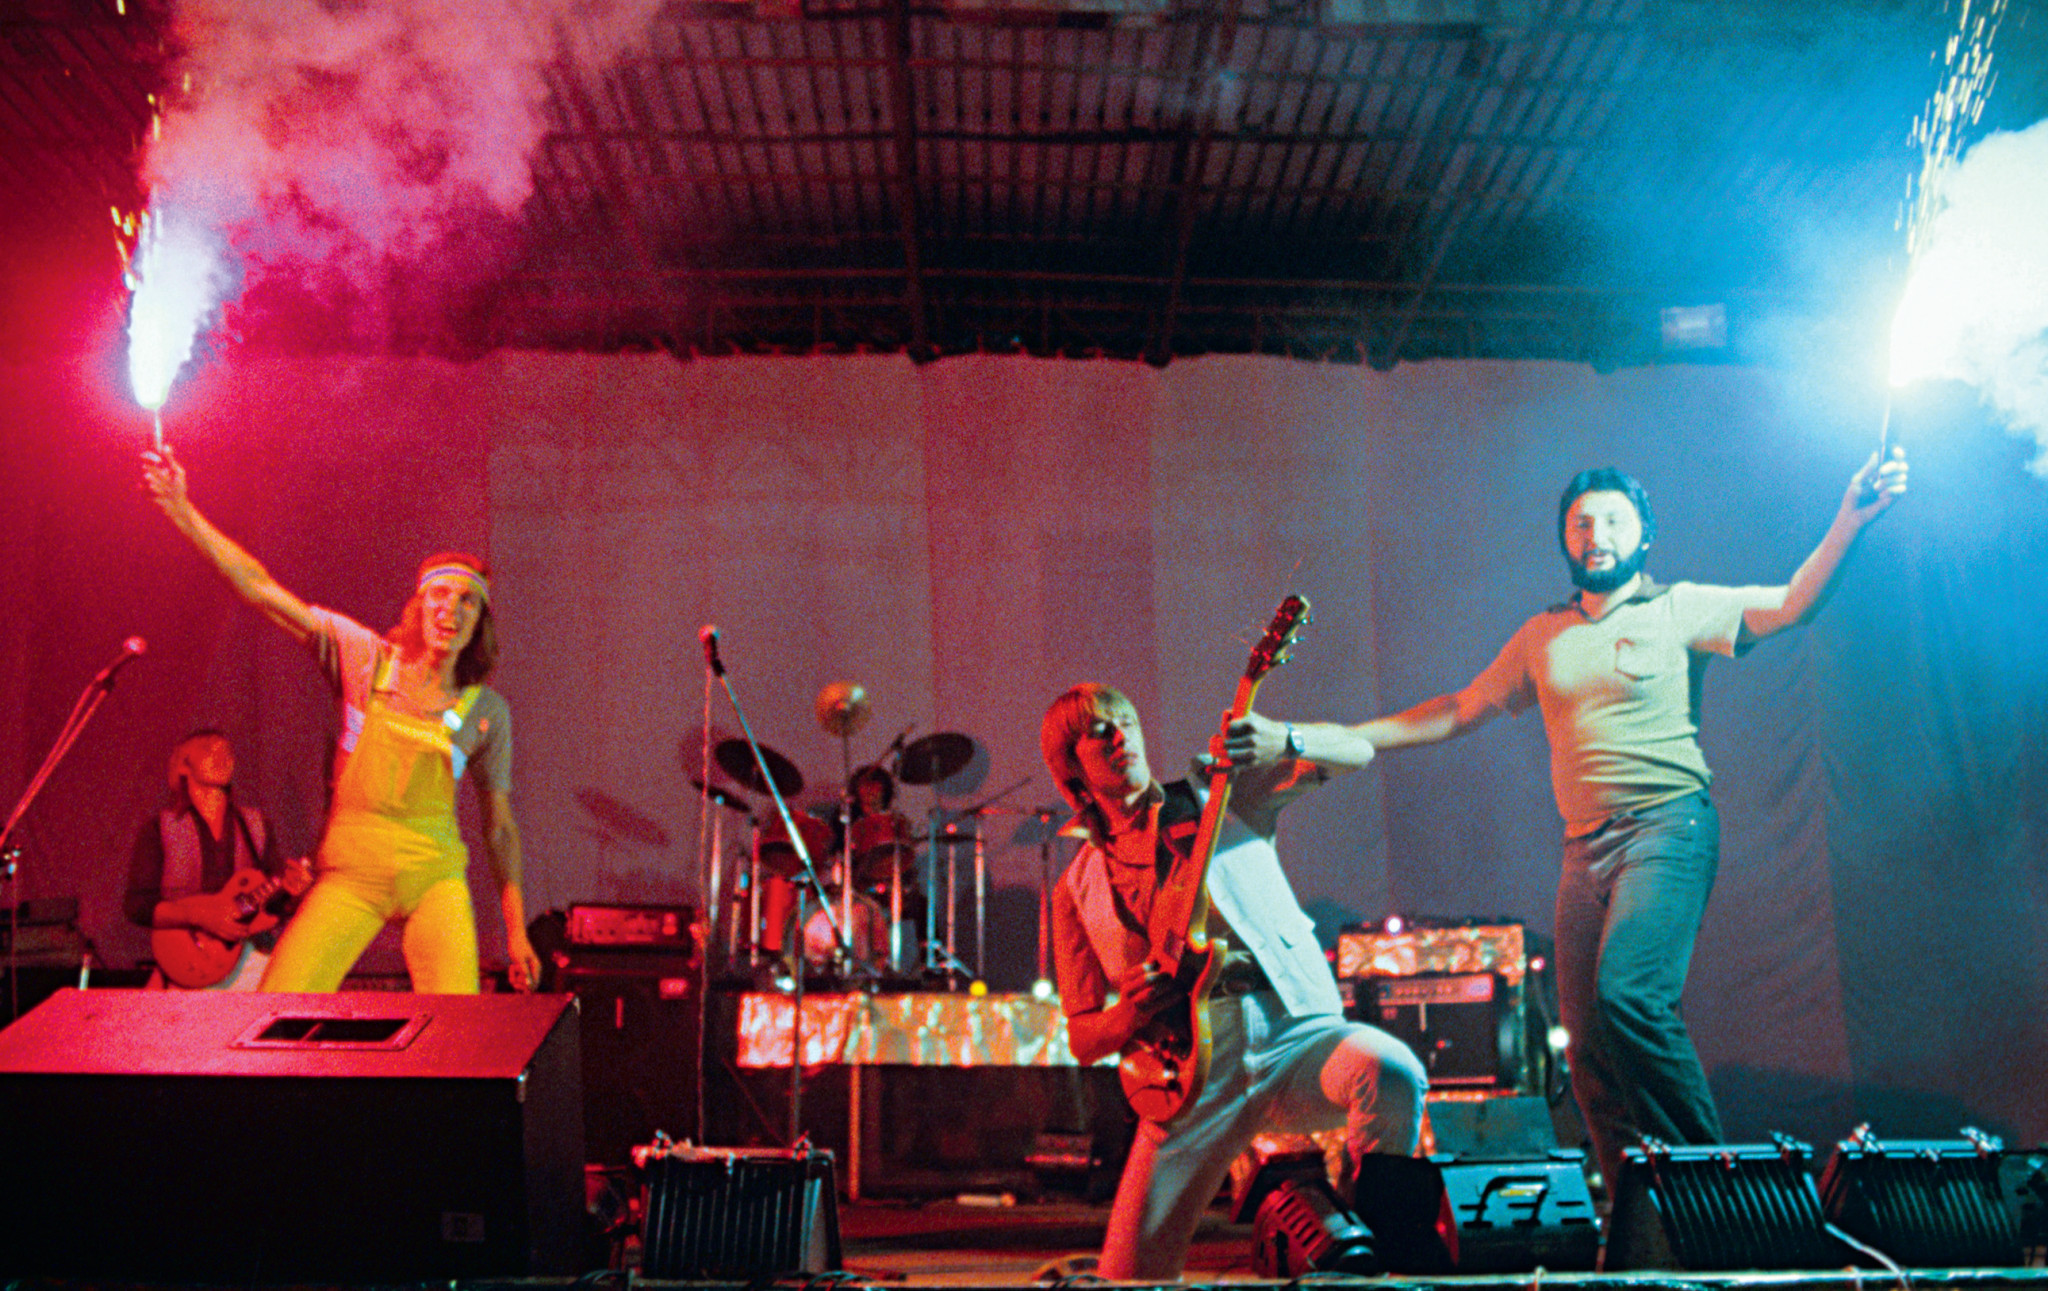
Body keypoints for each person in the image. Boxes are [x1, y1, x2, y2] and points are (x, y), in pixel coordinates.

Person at [1223, 450, 1909, 1193]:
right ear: (1564, 540)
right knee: (1587, 1053)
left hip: (1666, 830)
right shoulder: (1543, 634)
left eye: (1614, 519)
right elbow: (1456, 709)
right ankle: (1642, 1215)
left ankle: (1714, 1199)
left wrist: (1850, 520)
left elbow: (1793, 603)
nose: (1596, 534)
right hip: (1585, 851)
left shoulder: (1678, 607)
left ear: (1645, 533)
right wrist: (1299, 736)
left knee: (1631, 995)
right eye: (1581, 523)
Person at [1044, 683, 1426, 1280]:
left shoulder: (1217, 796)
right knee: (1131, 1277)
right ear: (1071, 769)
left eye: (1127, 722)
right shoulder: (1076, 886)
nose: (1120, 737)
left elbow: (1357, 751)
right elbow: (1084, 1037)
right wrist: (1130, 1015)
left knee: (1390, 1071)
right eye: (1099, 732)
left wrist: (1285, 738)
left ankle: (1370, 1264)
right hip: (1190, 1081)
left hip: (1294, 1036)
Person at [142, 447, 541, 994]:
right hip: (352, 874)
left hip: (435, 878)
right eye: (441, 594)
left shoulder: (486, 711)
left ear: (481, 620)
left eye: (469, 601)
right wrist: (183, 512)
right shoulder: (363, 657)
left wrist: (517, 933)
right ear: (418, 606)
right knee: (277, 1005)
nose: (452, 609)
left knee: (458, 1025)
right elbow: (260, 589)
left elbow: (499, 827)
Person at [126, 729, 311, 990]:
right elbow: (137, 906)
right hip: (186, 964)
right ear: (183, 764)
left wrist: (292, 894)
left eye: (227, 751)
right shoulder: (160, 829)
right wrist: (198, 916)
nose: (221, 756)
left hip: (250, 960)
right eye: (207, 749)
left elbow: (273, 907)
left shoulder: (256, 825)